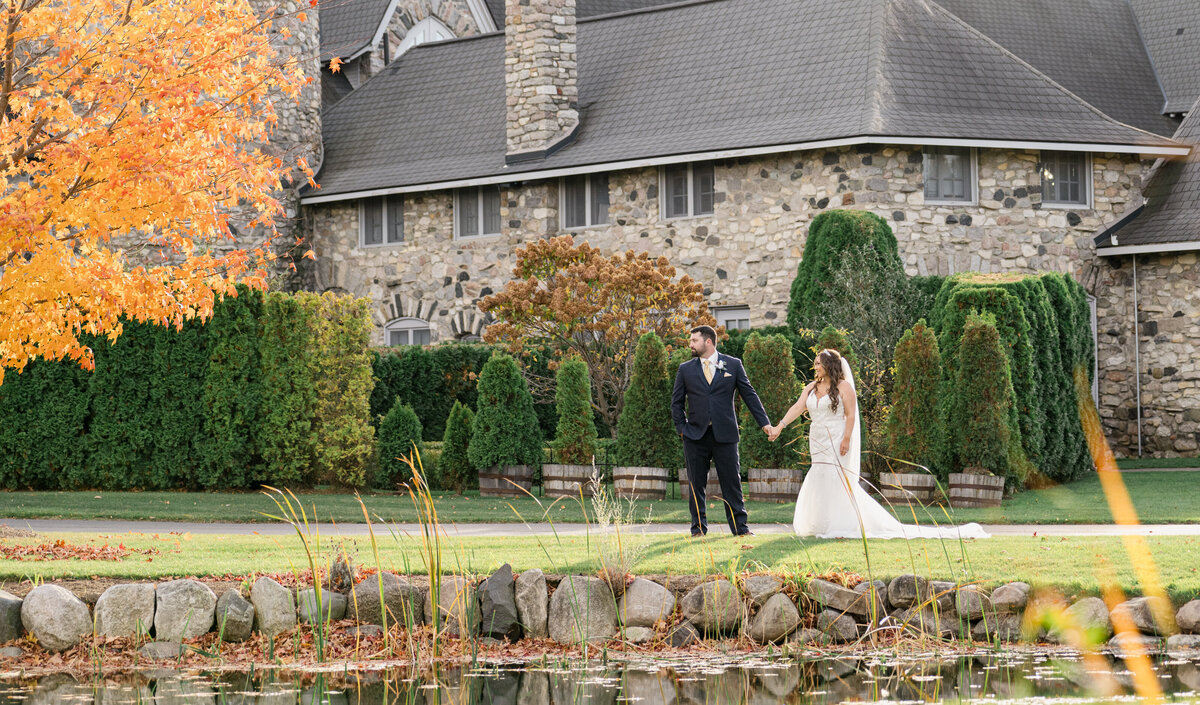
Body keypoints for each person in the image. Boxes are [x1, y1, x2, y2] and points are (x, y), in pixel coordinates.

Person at [767, 349, 989, 540]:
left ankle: (842, 523)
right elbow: (797, 408)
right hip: (817, 438)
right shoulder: (810, 388)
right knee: (821, 476)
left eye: (819, 364)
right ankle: (821, 524)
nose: (815, 367)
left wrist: (846, 439)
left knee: (837, 478)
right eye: (815, 363)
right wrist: (780, 426)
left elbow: (852, 415)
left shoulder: (844, 387)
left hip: (837, 436)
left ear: (829, 366)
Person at [671, 325, 772, 537]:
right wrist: (682, 428)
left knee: (732, 482)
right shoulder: (685, 369)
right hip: (695, 436)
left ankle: (740, 529)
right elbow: (676, 403)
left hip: (725, 435)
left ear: (708, 342)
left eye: (694, 340)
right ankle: (698, 529)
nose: (691, 344)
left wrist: (764, 423)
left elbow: (749, 394)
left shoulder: (733, 365)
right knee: (696, 484)